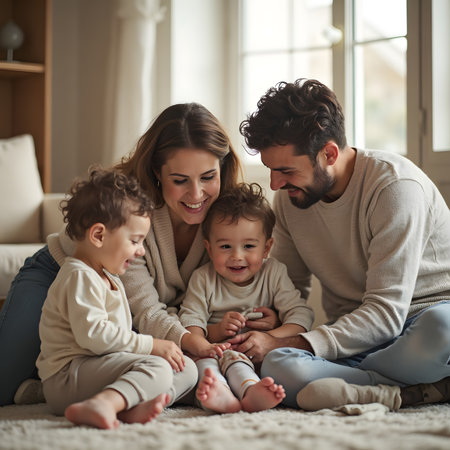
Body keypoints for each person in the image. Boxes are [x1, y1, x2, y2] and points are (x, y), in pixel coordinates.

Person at [0, 102, 258, 406]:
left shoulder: (228, 217)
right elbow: (146, 308)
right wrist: (190, 341)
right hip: (57, 274)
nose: (197, 194)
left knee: (173, 371)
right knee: (5, 388)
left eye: (207, 177)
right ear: (156, 173)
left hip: (119, 308)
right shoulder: (132, 212)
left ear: (222, 168)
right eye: (180, 180)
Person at [231, 78, 450, 410]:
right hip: (357, 338)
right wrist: (268, 325)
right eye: (270, 170)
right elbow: (289, 287)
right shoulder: (291, 200)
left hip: (422, 320)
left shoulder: (394, 187)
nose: (275, 183)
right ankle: (412, 390)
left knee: (441, 331)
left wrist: (298, 343)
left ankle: (357, 385)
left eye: (286, 170)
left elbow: (386, 314)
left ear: (329, 153)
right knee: (278, 366)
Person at [37, 168, 197, 429]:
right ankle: (106, 404)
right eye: (135, 241)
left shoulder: (107, 276)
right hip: (67, 377)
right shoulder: (78, 275)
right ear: (98, 235)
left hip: (95, 368)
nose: (141, 250)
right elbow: (95, 337)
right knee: (157, 367)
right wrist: (151, 345)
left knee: (186, 369)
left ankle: (128, 406)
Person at [179, 182, 313, 413]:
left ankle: (252, 391)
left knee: (244, 363)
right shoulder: (203, 278)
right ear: (209, 249)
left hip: (256, 357)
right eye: (225, 246)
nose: (237, 256)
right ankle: (218, 393)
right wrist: (218, 332)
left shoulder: (274, 273)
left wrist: (268, 338)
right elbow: (190, 324)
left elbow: (301, 316)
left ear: (267, 247)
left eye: (249, 246)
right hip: (213, 351)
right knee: (203, 365)